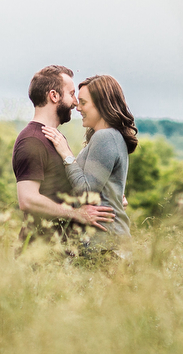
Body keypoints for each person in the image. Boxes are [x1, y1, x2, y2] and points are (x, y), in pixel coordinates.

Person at [12, 64, 113, 248]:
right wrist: (76, 214)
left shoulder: (54, 138)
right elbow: (27, 199)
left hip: (59, 253)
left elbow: (64, 190)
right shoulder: (31, 141)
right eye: (72, 94)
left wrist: (110, 195)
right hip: (38, 253)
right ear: (54, 96)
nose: (75, 102)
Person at [40, 73, 135, 250]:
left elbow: (86, 191)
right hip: (106, 244)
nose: (77, 107)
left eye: (83, 103)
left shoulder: (105, 136)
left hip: (106, 245)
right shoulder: (109, 136)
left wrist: (66, 154)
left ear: (101, 105)